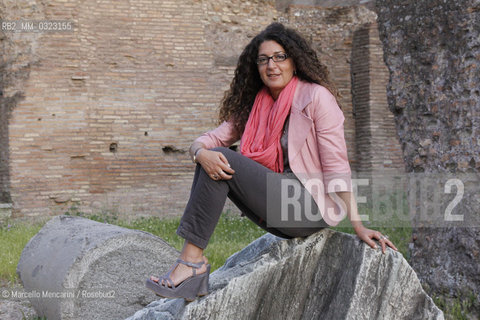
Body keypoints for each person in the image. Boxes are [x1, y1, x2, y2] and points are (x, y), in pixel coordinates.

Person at [146, 23, 397, 301]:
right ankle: (193, 267)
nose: (272, 66)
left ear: (294, 61)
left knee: (223, 157)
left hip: (309, 206)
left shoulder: (315, 97)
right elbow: (209, 139)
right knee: (212, 159)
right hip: (279, 204)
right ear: (255, 66)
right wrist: (199, 153)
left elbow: (336, 164)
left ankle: (191, 264)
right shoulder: (256, 104)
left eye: (280, 57)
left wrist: (358, 223)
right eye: (264, 59)